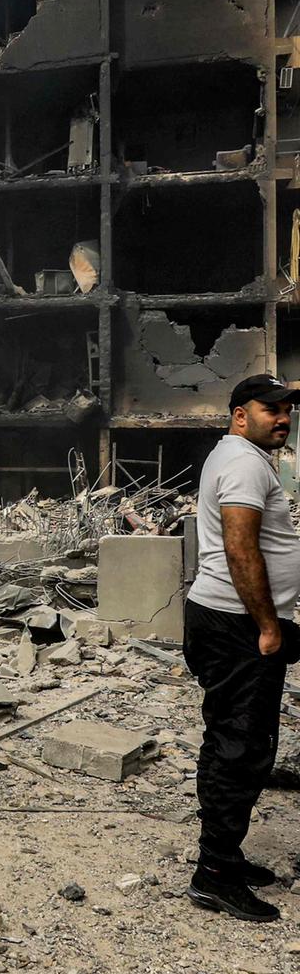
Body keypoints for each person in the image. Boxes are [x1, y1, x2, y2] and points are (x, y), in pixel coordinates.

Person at [184, 374, 300, 922]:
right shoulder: (245, 463)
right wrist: (269, 627)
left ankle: (224, 856)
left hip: (231, 620)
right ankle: (213, 875)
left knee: (234, 737)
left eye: (286, 410)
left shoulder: (237, 456)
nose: (281, 418)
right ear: (238, 414)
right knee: (241, 745)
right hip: (238, 625)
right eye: (269, 409)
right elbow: (239, 547)